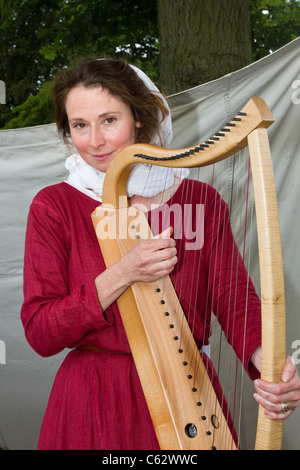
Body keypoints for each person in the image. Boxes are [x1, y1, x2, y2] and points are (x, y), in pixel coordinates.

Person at [21, 58, 300, 450]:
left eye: (109, 120)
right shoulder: (54, 206)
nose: (95, 141)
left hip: (188, 400)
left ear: (139, 118)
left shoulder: (200, 201)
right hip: (92, 405)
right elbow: (41, 331)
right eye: (80, 126)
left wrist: (268, 367)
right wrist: (122, 273)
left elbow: (235, 302)